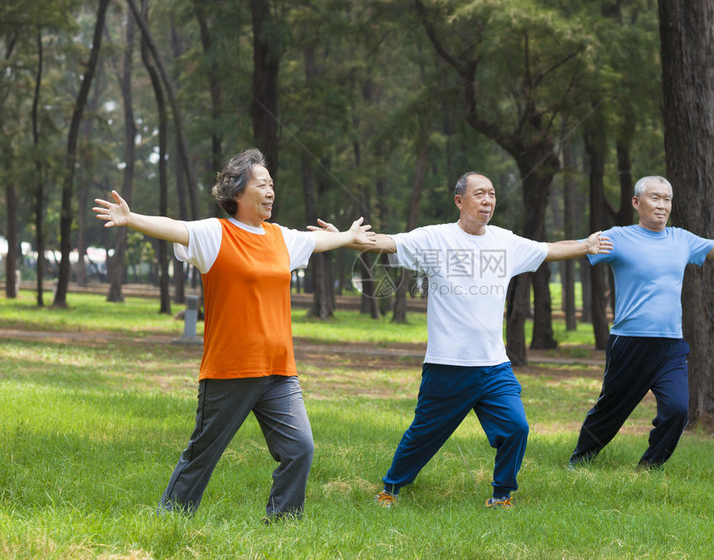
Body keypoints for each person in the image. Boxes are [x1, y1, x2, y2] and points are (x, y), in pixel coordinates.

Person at [92, 148, 375, 521]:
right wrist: (132, 220)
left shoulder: (281, 238)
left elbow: (318, 243)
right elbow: (176, 227)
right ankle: (169, 519)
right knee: (203, 452)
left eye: (272, 184)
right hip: (230, 371)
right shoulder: (216, 234)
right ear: (238, 192)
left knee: (300, 448)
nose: (271, 190)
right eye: (262, 184)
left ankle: (282, 522)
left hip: (279, 372)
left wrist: (348, 236)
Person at [316, 171, 612, 509]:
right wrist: (341, 238)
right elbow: (385, 242)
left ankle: (501, 496)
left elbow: (548, 250)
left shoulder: (505, 241)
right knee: (424, 435)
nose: (487, 200)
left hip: (494, 365)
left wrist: (585, 246)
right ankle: (391, 489)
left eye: (492, 194)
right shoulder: (435, 239)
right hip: (448, 365)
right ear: (460, 201)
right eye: (479, 194)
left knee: (517, 427)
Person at [567, 175, 714, 471]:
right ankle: (580, 459)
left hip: (670, 345)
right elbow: (579, 247)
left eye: (667, 199)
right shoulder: (618, 238)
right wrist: (537, 251)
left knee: (677, 409)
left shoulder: (681, 239)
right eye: (654, 197)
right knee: (611, 409)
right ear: (636, 202)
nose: (662, 205)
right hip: (629, 342)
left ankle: (650, 467)